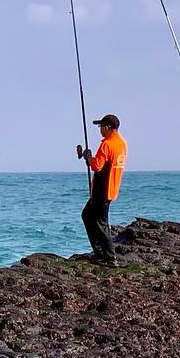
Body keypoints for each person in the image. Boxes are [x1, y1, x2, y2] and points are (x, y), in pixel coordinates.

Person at [77, 113, 127, 265]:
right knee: (88, 216)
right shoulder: (122, 144)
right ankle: (100, 253)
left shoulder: (107, 145)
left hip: (102, 190)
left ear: (107, 127)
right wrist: (89, 157)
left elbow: (96, 166)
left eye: (100, 127)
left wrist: (88, 156)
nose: (100, 130)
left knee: (100, 223)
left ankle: (109, 258)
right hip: (111, 189)